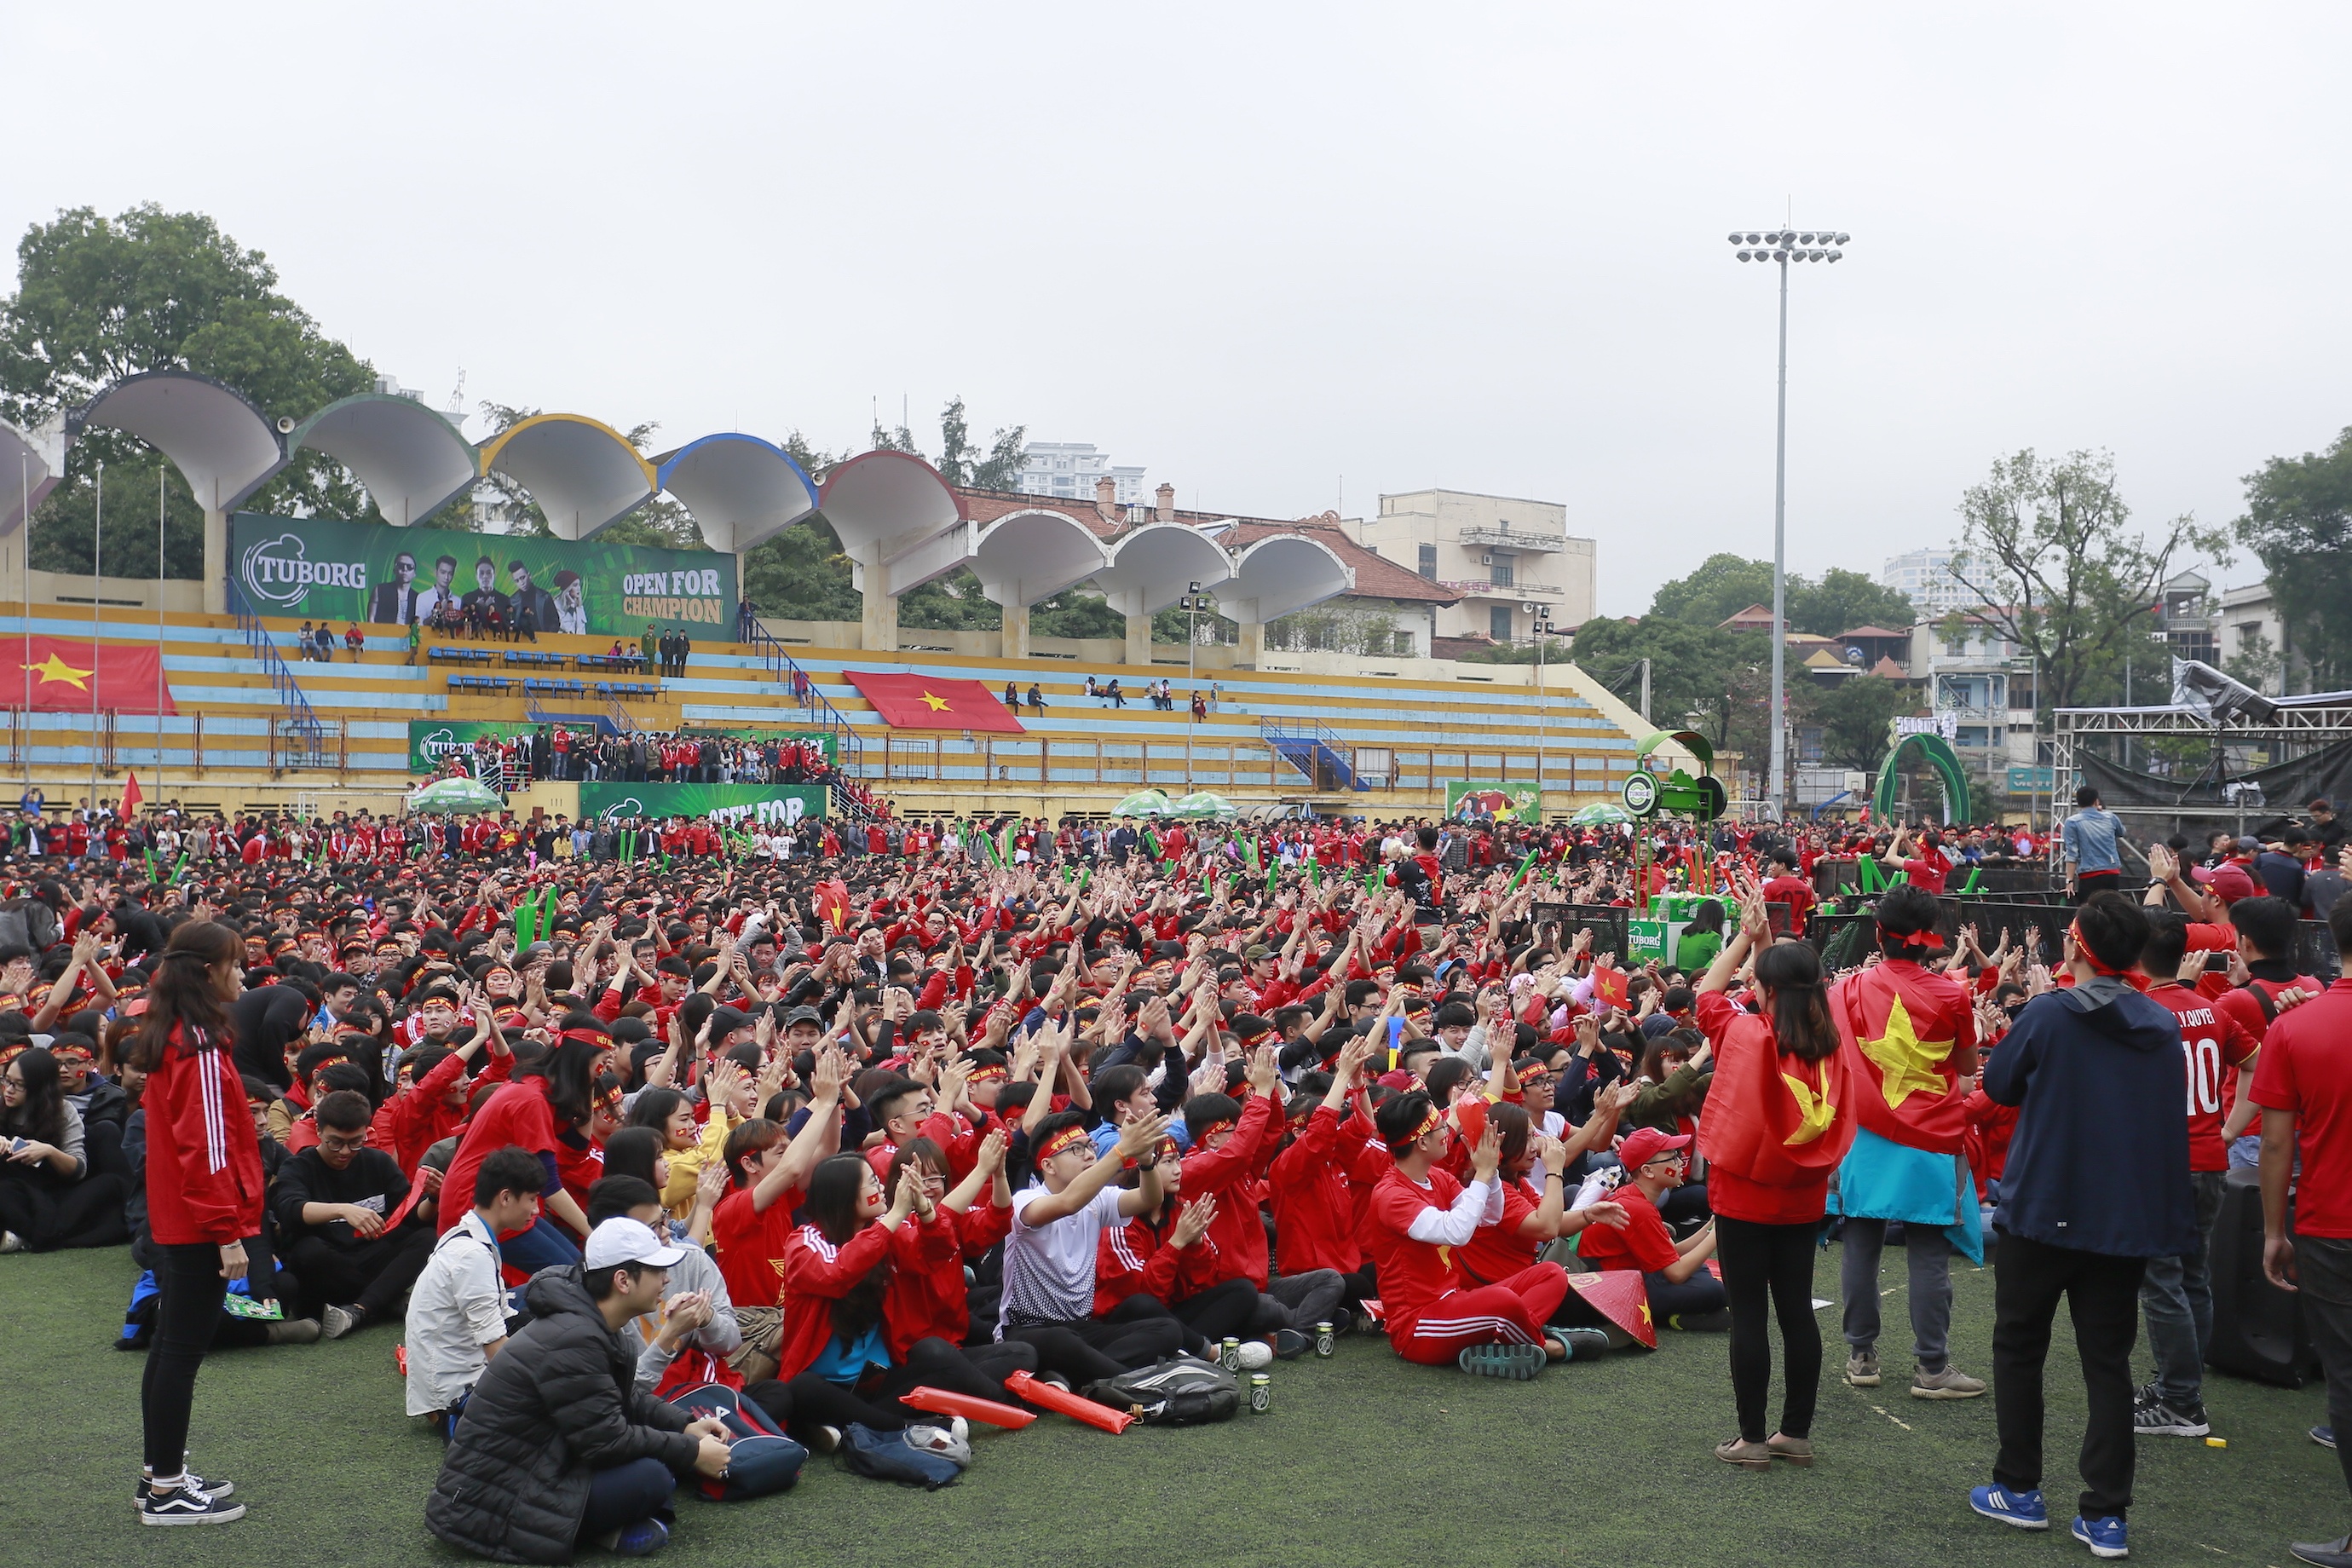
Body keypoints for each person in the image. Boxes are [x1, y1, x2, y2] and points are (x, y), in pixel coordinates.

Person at [1969, 892, 2197, 1561]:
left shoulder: (2050, 1014)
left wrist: (2043, 1005)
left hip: (2043, 1210)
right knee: (2108, 1363)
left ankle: (2019, 1486)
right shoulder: (2158, 1024)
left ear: (2075, 946)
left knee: (2019, 1348)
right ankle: (2105, 1515)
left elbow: (2002, 1084)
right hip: (2121, 1220)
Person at [426, 1216, 735, 1562]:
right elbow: (606, 1441)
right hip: (489, 1505)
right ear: (622, 1280)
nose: (665, 1279)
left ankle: (601, 1526)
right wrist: (691, 1450)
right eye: (656, 1271)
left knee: (655, 1464)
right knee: (653, 1478)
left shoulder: (588, 1319)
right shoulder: (574, 1337)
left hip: (535, 1464)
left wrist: (683, 1425)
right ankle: (595, 1530)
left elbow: (620, 1396)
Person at [1694, 888, 1856, 1468]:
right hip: (1802, 1195)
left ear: (1761, 989)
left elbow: (1706, 993)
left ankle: (1752, 1438)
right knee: (1794, 1311)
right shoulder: (1830, 1042)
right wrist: (1765, 943)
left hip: (1742, 1196)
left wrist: (1745, 934)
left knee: (1750, 1315)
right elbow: (1780, 990)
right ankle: (1796, 1432)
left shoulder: (1743, 1033)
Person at [124, 919, 261, 1525]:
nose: (243, 973)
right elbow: (205, 1148)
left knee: (171, 1350)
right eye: (235, 963)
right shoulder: (199, 1043)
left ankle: (160, 1473)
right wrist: (226, 1230)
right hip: (198, 1221)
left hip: (179, 1217)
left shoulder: (174, 1034)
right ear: (209, 972)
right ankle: (168, 1489)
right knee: (181, 1350)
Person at [1834, 882, 1985, 1400]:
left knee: (1860, 1244)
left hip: (1863, 1137)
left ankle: (1861, 1356)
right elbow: (1967, 1067)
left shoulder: (1844, 990)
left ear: (1879, 934)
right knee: (1928, 1253)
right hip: (1931, 1137)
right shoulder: (1953, 994)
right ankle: (1932, 1368)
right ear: (1929, 940)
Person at [2252, 896, 2352, 1568]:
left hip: (2330, 1224)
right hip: (2326, 1222)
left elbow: (2276, 1145)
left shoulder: (2299, 1027)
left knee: (2346, 1377)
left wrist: (2269, 1231)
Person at [1366, 1087, 1575, 1375]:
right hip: (1417, 1326)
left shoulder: (1436, 1177)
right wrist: (1484, 1173)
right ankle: (1546, 1346)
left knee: (1551, 1273)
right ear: (1422, 1143)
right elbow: (1456, 1232)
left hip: (1453, 1300)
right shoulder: (1391, 1194)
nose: (1448, 1131)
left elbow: (1490, 1215)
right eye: (1441, 1126)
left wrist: (1489, 1172)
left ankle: (1506, 1343)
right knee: (1504, 1302)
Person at [273, 1088, 437, 1339]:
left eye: (356, 1142)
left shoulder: (378, 1162)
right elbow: (289, 1209)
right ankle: (384, 1299)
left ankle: (361, 1309)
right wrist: (343, 1210)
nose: (345, 1151)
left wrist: (434, 1197)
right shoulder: (299, 1166)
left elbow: (410, 1215)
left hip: (369, 1256)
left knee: (426, 1237)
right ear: (318, 1131)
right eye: (335, 1142)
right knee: (308, 1251)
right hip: (326, 1273)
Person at [405, 1146, 546, 1429]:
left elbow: (504, 1315)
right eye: (531, 1199)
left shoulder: (469, 1235)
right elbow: (495, 1347)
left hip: (455, 1380)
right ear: (505, 1197)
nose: (535, 1210)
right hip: (455, 1400)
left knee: (545, 1294)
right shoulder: (472, 1255)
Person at [2062, 786, 2126, 902]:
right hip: (2112, 872)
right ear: (2096, 801)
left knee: (2089, 911)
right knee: (2112, 909)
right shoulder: (2110, 817)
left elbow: (2072, 854)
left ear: (2078, 802)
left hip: (2089, 875)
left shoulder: (2072, 822)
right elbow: (2121, 832)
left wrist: (2069, 881)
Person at [371, 551, 422, 625]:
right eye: (401, 566)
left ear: (414, 574)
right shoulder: (380, 590)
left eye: (410, 567)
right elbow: (371, 620)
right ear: (394, 570)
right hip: (383, 634)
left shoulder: (418, 598)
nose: (405, 569)